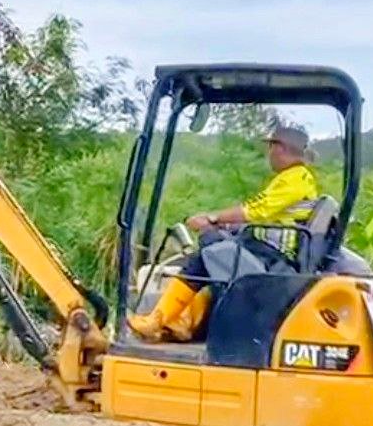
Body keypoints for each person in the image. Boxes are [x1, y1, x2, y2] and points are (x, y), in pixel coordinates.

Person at [127, 126, 320, 341]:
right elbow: (265, 217)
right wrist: (225, 227)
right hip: (267, 249)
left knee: (209, 249)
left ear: (281, 148)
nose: (269, 153)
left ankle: (158, 320)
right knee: (213, 253)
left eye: (270, 146)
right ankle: (180, 321)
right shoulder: (295, 178)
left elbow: (254, 211)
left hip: (272, 256)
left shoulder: (294, 179)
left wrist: (213, 219)